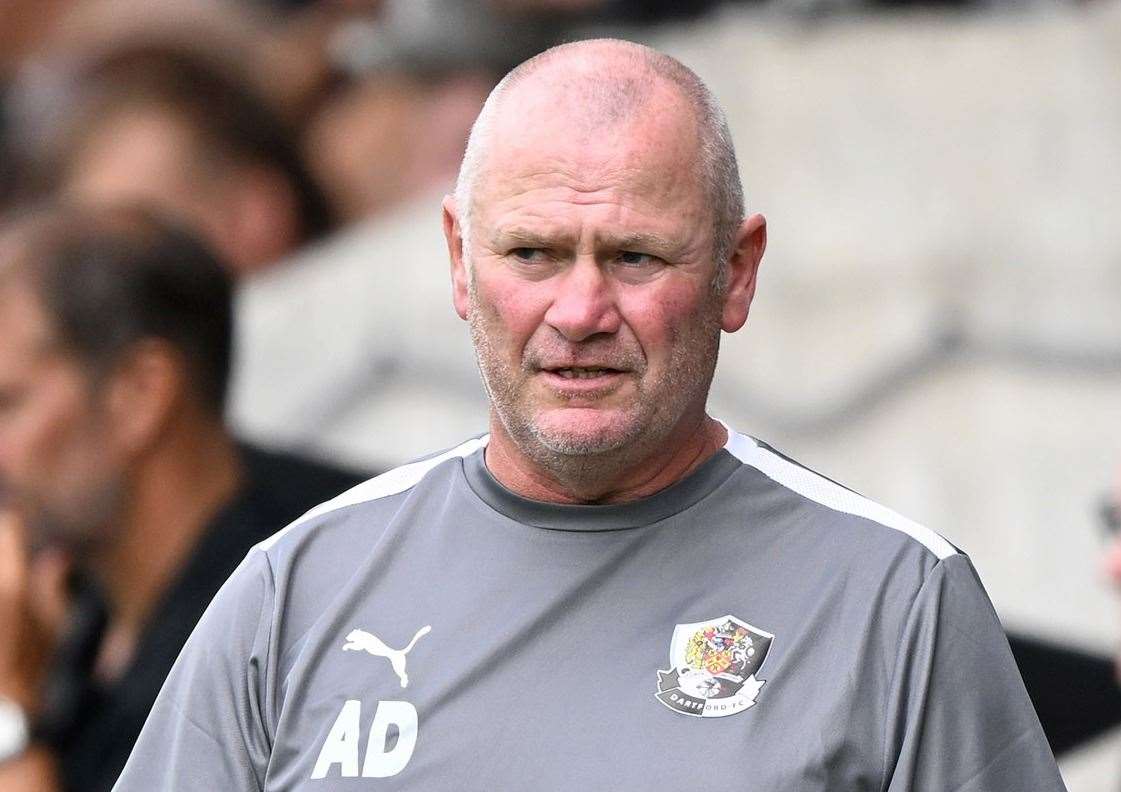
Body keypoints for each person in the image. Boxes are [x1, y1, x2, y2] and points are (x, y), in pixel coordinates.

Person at [114, 39, 1065, 790]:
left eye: (635, 257)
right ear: (457, 259)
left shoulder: (895, 599)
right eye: (530, 253)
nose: (577, 312)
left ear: (735, 272)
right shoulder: (292, 596)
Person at [0, 203, 366, 791]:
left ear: (140, 394)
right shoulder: (75, 606)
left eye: (7, 403)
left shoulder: (308, 623)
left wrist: (8, 723)